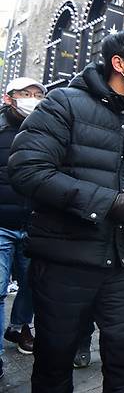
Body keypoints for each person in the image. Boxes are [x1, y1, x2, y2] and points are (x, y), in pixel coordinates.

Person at [8, 29, 124, 393]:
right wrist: (109, 203)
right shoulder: (64, 105)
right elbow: (28, 169)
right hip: (66, 260)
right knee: (54, 362)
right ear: (120, 63)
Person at [0, 77, 45, 373]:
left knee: (32, 284)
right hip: (1, 224)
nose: (32, 99)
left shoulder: (46, 130)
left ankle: (18, 327)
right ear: (9, 98)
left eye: (38, 94)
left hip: (34, 224)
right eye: (25, 94)